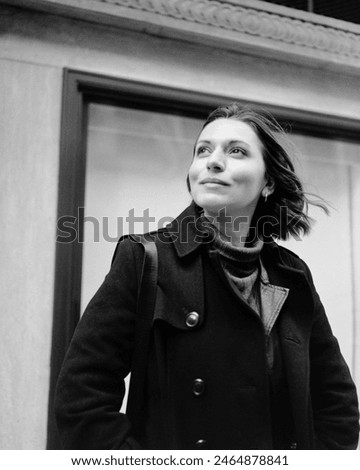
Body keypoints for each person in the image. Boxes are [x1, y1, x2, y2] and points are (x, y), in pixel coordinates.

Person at [54, 103, 359, 450]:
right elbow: (81, 402)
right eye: (203, 150)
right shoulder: (144, 259)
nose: (213, 161)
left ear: (268, 183)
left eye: (237, 151)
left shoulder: (291, 275)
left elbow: (338, 408)